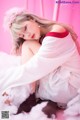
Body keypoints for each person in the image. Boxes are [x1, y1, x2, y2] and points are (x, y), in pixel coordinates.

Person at [1, 7, 80, 116]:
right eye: (23, 35)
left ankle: (27, 98)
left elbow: (33, 67)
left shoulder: (56, 31)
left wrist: (4, 80)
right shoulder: (44, 36)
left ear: (31, 19)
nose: (27, 35)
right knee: (12, 89)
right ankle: (11, 108)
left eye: (25, 28)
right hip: (64, 86)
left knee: (26, 51)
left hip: (69, 87)